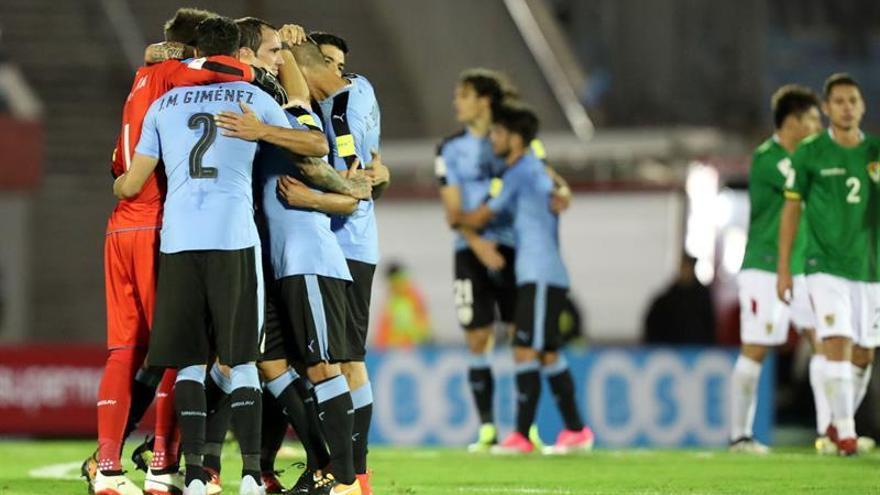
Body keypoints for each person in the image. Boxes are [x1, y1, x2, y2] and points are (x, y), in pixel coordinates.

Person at [113, 16, 290, 494]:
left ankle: (194, 476)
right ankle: (252, 474)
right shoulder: (254, 97)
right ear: (234, 52)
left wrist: (116, 181)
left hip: (178, 240)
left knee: (189, 360)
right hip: (233, 236)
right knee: (243, 358)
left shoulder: (165, 104)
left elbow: (130, 183)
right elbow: (302, 145)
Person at [454, 102, 594, 455]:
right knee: (547, 353)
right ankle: (576, 431)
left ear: (515, 139)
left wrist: (459, 218)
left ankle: (519, 436)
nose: (494, 139)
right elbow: (557, 190)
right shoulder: (533, 169)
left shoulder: (519, 172)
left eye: (499, 133)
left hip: (540, 274)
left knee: (525, 349)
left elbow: (485, 213)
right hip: (544, 273)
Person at [287, 40, 390, 494]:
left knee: (344, 362)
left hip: (343, 244)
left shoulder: (341, 113)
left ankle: (354, 477)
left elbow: (354, 185)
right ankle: (348, 474)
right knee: (341, 359)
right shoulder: (364, 87)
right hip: (357, 245)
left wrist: (310, 197)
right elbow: (376, 170)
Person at [777, 73, 880, 456]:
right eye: (838, 101)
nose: (846, 107)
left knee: (864, 354)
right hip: (823, 266)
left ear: (862, 105)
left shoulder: (875, 153)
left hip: (869, 269)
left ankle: (838, 423)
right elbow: (791, 210)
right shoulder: (810, 153)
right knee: (836, 341)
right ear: (827, 107)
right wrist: (786, 268)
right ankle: (847, 433)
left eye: (852, 100)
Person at [729, 84, 823, 454]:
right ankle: (740, 436)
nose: (818, 125)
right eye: (813, 118)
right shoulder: (769, 158)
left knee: (825, 342)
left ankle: (834, 431)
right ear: (793, 121)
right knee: (756, 348)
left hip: (802, 269)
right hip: (765, 268)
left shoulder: (806, 160)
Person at [435, 69, 517, 452]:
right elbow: (453, 213)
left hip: (515, 248)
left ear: (484, 100)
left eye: (463, 95)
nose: (456, 103)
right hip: (469, 252)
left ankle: (523, 430)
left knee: (523, 340)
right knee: (478, 338)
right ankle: (488, 428)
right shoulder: (449, 149)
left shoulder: (514, 138)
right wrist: (478, 240)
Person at [643, 255, 716, 345]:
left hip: (696, 348)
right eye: (683, 267)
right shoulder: (667, 298)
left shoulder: (702, 297)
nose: (685, 271)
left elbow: (709, 326)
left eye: (687, 267)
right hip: (671, 349)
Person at [375, 262, 432, 348]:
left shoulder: (409, 298)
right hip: (398, 349)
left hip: (412, 348)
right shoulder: (393, 300)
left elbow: (423, 326)